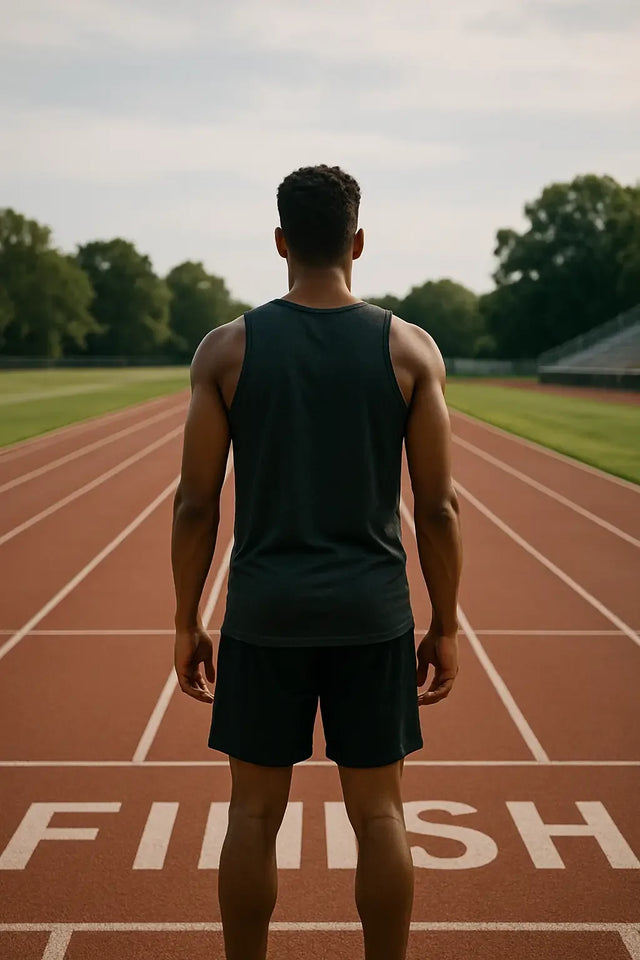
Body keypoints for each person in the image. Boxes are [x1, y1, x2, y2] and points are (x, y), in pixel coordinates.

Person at [171, 164, 462, 960]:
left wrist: (186, 619)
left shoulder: (228, 349)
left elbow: (195, 503)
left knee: (252, 814)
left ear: (280, 242)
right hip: (372, 612)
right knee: (381, 814)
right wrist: (446, 624)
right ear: (357, 242)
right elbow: (439, 506)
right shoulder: (409, 348)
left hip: (264, 611)